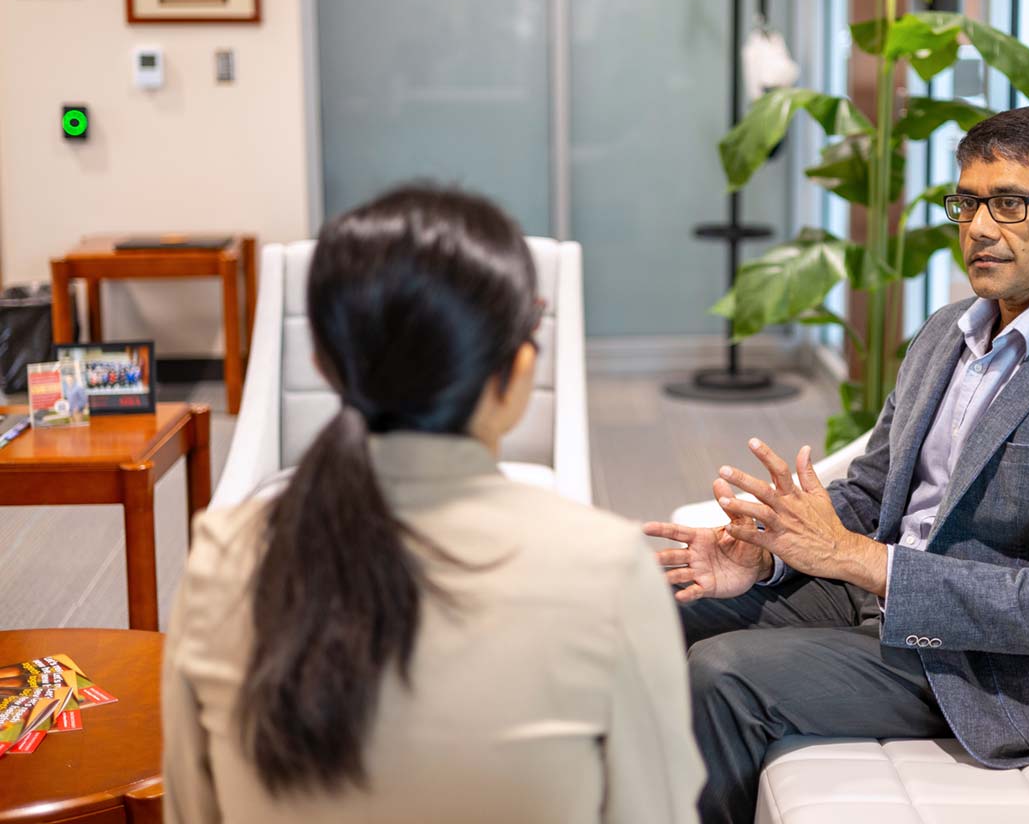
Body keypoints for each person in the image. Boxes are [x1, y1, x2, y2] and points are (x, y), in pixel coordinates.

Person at [646, 105, 1029, 824]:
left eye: (1010, 203)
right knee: (655, 607)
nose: (979, 228)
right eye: (966, 202)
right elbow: (873, 491)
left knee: (725, 677)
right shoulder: (947, 333)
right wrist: (771, 554)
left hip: (980, 667)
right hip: (869, 599)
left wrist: (859, 560)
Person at [163, 185, 704, 823]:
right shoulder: (609, 574)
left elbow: (191, 812)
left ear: (323, 365)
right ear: (520, 367)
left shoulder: (225, 558)